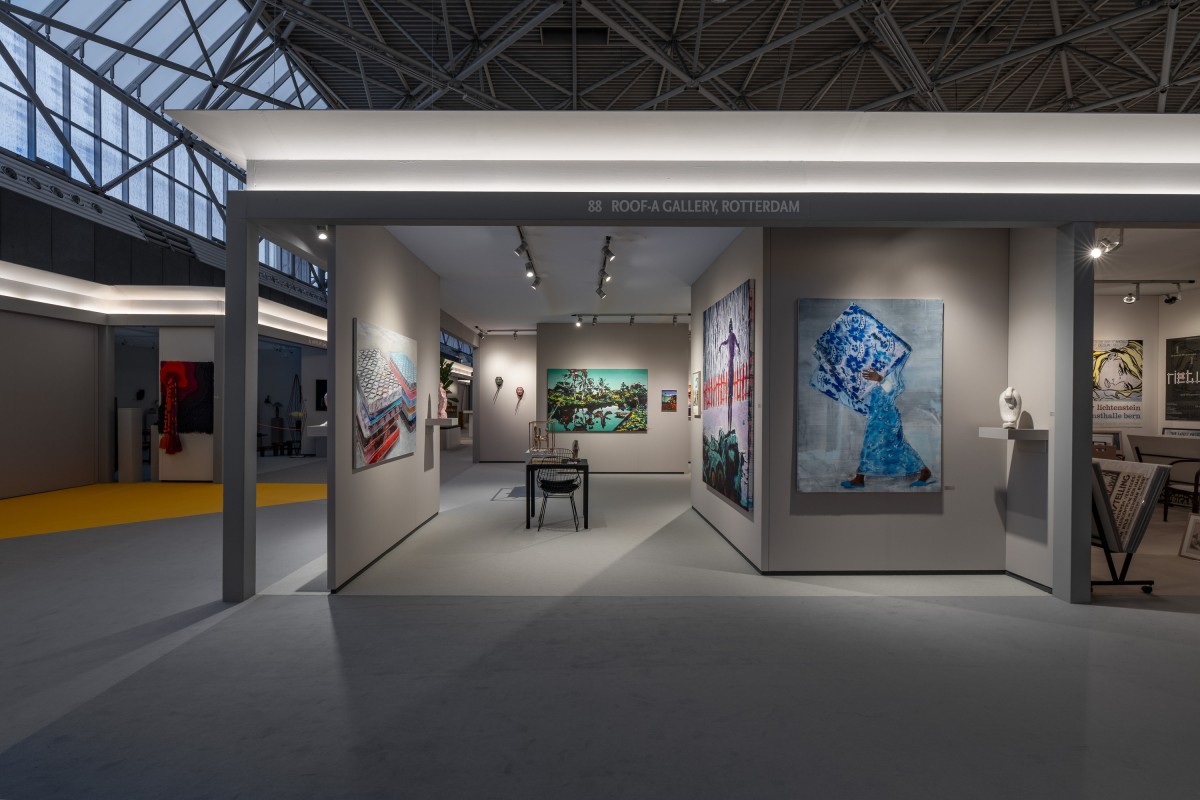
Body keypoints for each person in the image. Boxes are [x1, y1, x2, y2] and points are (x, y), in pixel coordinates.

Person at [841, 364, 933, 489]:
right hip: (875, 415)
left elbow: (895, 390)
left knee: (896, 446)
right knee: (871, 444)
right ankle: (860, 478)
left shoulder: (892, 366)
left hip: (888, 417)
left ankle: (924, 471)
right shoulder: (873, 365)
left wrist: (880, 379)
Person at [717, 318, 739, 431]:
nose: (730, 328)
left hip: (731, 364)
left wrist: (738, 348)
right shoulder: (731, 336)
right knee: (729, 389)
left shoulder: (732, 335)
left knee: (730, 389)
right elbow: (730, 343)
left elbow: (736, 344)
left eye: (730, 326)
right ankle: (729, 426)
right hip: (730, 363)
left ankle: (729, 426)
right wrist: (721, 345)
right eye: (729, 326)